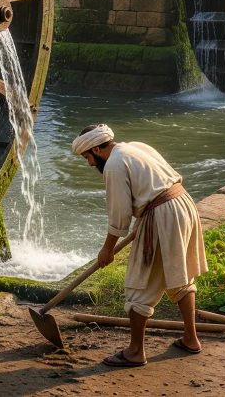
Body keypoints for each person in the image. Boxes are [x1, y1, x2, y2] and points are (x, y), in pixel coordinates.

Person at [74, 124, 207, 367]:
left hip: (163, 214)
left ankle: (135, 351)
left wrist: (107, 249)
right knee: (180, 277)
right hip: (183, 204)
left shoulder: (113, 166)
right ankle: (191, 338)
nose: (90, 164)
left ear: (96, 149)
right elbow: (154, 185)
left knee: (139, 284)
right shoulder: (136, 147)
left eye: (87, 158)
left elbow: (120, 215)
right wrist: (144, 219)